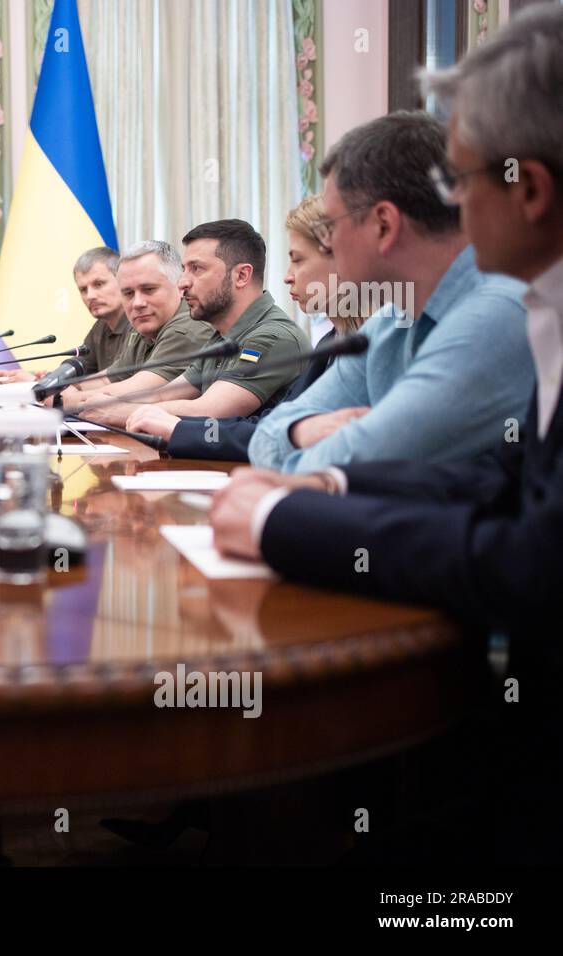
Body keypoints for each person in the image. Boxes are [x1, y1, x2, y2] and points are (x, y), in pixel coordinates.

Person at [210, 3, 563, 861]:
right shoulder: (510, 305)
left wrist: (281, 515)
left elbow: (534, 558)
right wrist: (324, 474)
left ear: (530, 190)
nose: (453, 210)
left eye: (464, 181)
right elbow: (501, 484)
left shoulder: (502, 308)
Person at [246, 111, 531, 473]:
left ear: (384, 224)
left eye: (332, 224)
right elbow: (263, 441)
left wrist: (316, 470)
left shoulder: (495, 316)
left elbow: (366, 463)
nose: (327, 242)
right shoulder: (390, 321)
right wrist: (302, 429)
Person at [129, 196, 363, 460]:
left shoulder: (282, 336)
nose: (287, 276)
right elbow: (273, 426)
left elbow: (272, 430)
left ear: (344, 258)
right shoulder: (333, 342)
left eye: (297, 260)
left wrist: (178, 429)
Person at [78, 219, 309, 428]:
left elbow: (209, 411)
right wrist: (98, 402)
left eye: (196, 269)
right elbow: (162, 395)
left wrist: (113, 411)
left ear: (241, 276)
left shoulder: (273, 336)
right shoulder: (221, 335)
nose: (183, 283)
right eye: (184, 269)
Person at [59, 241, 213, 406]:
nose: (137, 303)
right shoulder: (144, 327)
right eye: (128, 293)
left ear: (180, 285)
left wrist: (66, 398)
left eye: (149, 289)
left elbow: (137, 390)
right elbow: (107, 380)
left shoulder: (188, 327)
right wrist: (65, 387)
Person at [0, 246, 125, 383]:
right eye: (83, 290)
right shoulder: (101, 326)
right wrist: (46, 378)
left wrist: (37, 383)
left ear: (122, 280)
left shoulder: (139, 325)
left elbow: (113, 381)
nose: (90, 295)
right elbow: (78, 369)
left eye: (98, 284)